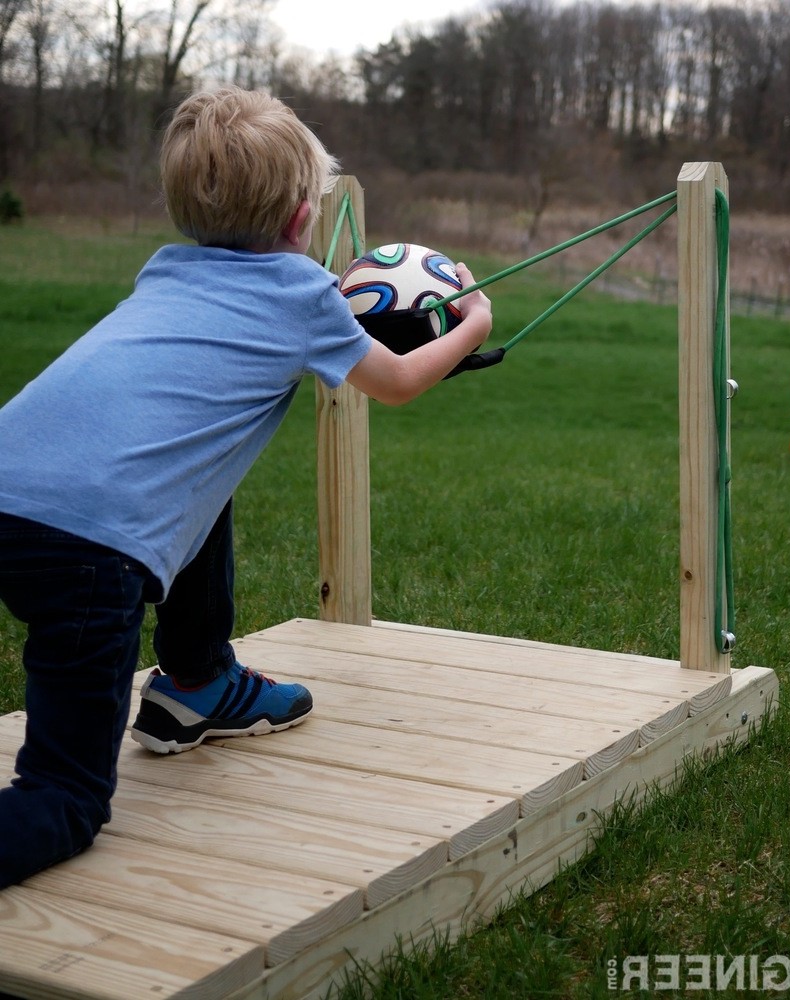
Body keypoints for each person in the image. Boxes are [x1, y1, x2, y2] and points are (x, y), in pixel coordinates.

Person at [0, 86, 492, 888]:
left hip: (10, 486)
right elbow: (396, 381)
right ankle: (181, 692)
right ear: (303, 222)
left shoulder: (165, 273)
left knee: (197, 478)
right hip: (88, 550)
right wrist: (472, 320)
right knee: (64, 799)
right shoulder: (305, 298)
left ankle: (197, 684)